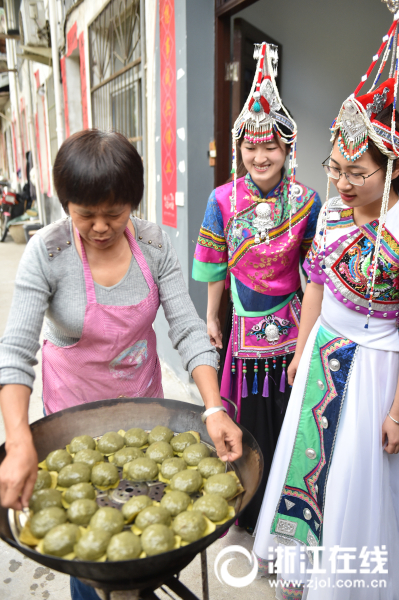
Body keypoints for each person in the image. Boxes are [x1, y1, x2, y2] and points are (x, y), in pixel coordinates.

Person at [0, 130, 242, 600]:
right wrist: (18, 441)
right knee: (86, 537)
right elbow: (14, 353)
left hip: (141, 406)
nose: (100, 227)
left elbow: (189, 329)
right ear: (65, 201)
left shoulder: (153, 245)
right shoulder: (47, 254)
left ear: (133, 202)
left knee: (145, 517)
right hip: (74, 412)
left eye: (114, 213)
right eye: (84, 214)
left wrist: (213, 408)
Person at [254, 18, 399, 600]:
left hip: (376, 370)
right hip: (322, 360)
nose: (341, 183)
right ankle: (304, 573)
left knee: (356, 482)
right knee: (309, 467)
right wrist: (300, 347)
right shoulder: (335, 215)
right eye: (334, 170)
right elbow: (313, 282)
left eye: (357, 174)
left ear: (391, 170)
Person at [192, 42, 321, 531]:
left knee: (290, 418)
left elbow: (316, 273)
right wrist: (210, 315)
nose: (259, 155)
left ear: (287, 148)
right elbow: (213, 262)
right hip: (242, 322)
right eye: (250, 146)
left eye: (270, 146)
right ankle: (250, 508)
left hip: (291, 324)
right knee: (246, 418)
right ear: (238, 147)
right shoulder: (222, 199)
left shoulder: (308, 201)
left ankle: (285, 511)